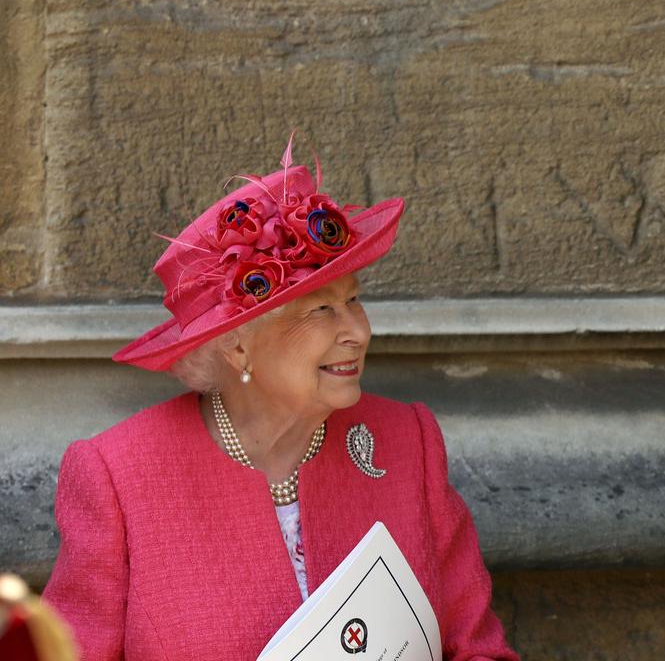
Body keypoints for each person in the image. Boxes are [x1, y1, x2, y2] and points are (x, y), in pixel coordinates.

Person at [43, 138, 518, 661]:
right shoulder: (119, 476)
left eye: (353, 299)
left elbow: (478, 649)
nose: (357, 332)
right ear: (237, 343)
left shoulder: (407, 441)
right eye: (319, 311)